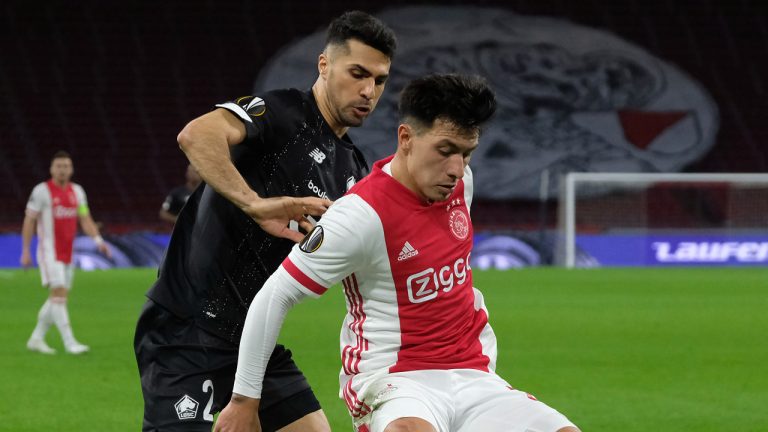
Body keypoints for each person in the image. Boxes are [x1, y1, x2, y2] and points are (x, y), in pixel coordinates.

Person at [214, 74, 580, 432]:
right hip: (397, 382)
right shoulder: (359, 216)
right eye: (445, 150)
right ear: (406, 138)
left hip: (474, 376)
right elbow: (275, 295)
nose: (456, 169)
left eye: (467, 154)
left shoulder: (459, 183)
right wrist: (245, 401)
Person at [133, 10, 396, 432]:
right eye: (358, 73)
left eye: (379, 80)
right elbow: (196, 135)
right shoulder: (281, 113)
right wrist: (253, 203)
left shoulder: (353, 168)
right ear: (324, 66)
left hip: (254, 342)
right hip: (188, 327)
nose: (368, 90)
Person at [21, 150, 111, 355]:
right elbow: (29, 220)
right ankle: (70, 343)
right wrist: (25, 250)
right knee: (59, 294)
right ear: (52, 169)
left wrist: (98, 240)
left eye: (66, 166)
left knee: (58, 298)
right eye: (58, 166)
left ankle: (36, 338)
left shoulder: (77, 192)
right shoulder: (41, 191)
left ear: (71, 169)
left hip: (68, 252)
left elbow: (85, 218)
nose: (62, 170)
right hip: (48, 252)